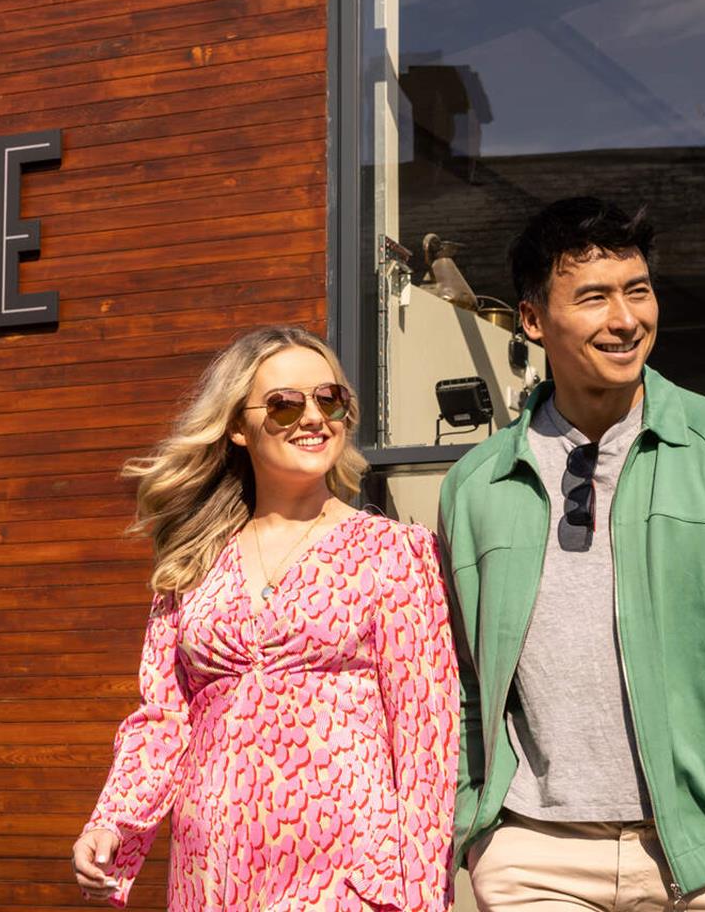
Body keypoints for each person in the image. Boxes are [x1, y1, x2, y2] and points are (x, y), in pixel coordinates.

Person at [439, 197, 705, 910]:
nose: (626, 319)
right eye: (593, 297)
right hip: (535, 855)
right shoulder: (477, 486)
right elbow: (465, 679)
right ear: (533, 320)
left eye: (638, 290)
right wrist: (480, 826)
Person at [71, 325, 458, 910]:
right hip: (214, 870)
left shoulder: (396, 552)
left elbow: (426, 736)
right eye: (284, 404)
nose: (313, 417)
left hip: (351, 876)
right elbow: (163, 719)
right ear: (236, 426)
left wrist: (420, 893)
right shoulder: (195, 560)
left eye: (329, 399)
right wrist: (114, 822)